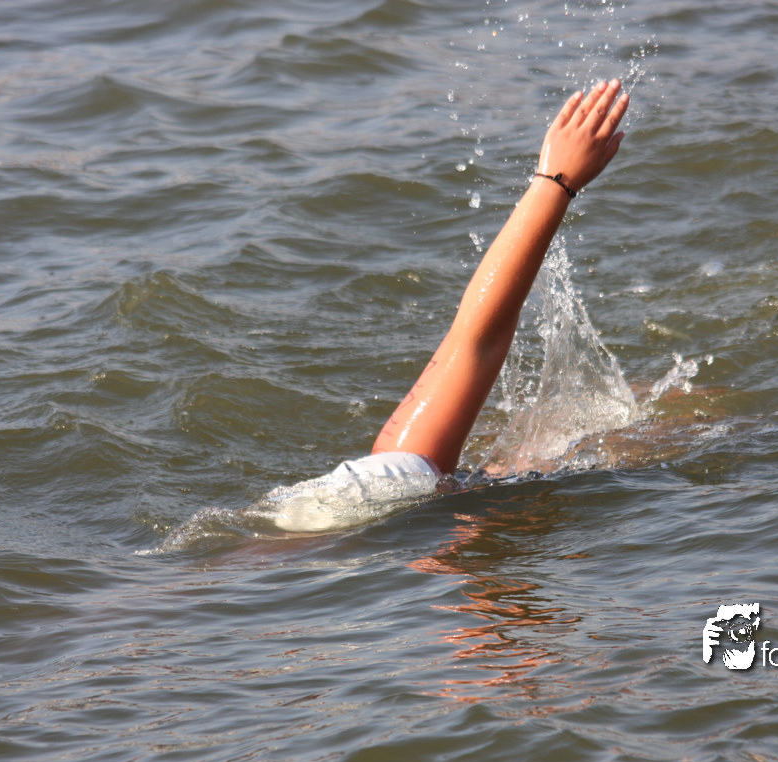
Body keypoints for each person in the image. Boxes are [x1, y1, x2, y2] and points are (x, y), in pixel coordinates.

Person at [248, 80, 631, 534]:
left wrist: (555, 184)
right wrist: (555, 182)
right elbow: (474, 343)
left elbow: (476, 342)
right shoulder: (358, 504)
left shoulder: (363, 500)